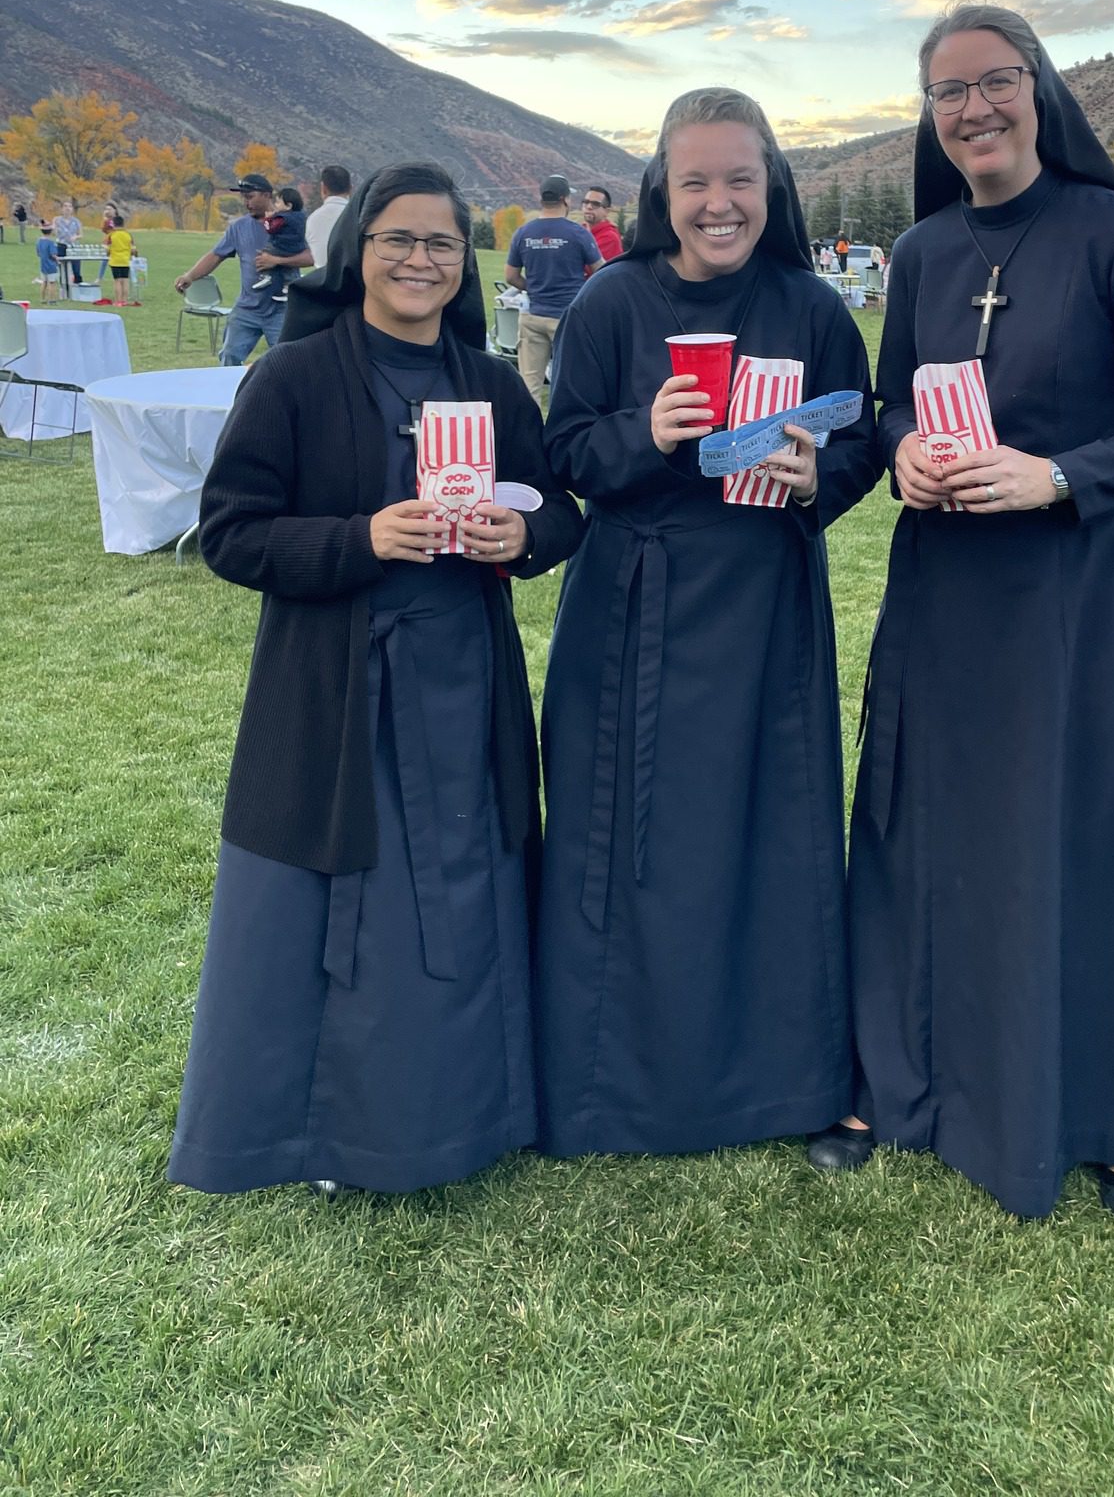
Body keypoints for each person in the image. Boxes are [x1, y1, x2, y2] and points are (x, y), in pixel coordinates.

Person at [815, 4, 1114, 1227]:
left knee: (1092, 835)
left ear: (1038, 90)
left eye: (994, 83)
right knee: (930, 828)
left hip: (1082, 592)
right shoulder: (928, 249)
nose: (973, 110)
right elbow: (890, 400)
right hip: (947, 590)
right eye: (948, 93)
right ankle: (903, 1080)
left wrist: (1057, 475)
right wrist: (900, 453)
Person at [167, 162, 583, 1195]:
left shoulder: (489, 381)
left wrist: (520, 529)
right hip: (334, 688)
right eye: (398, 239)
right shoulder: (294, 377)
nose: (420, 260)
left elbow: (565, 512)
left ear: (464, 262)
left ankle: (475, 1110)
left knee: (462, 885)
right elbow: (229, 532)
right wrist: (363, 536)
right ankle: (335, 1132)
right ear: (357, 249)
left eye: (441, 243)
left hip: (463, 676)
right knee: (352, 899)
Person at [535, 86, 881, 1159]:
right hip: (633, 605)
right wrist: (644, 431)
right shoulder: (609, 302)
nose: (720, 202)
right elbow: (566, 454)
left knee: (773, 830)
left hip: (766, 602)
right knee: (624, 842)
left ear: (771, 186)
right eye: (697, 181)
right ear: (661, 191)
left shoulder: (813, 308)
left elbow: (863, 441)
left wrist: (822, 469)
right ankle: (604, 1085)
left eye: (741, 179)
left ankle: (788, 1080)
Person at [504, 175, 601, 404]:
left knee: (530, 385)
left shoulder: (523, 233)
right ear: (565, 199)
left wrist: (534, 287)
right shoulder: (578, 233)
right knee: (568, 383)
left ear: (542, 199)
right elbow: (600, 271)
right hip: (567, 318)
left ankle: (530, 436)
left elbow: (510, 276)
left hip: (533, 315)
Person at [173, 174, 289, 364]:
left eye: (250, 196)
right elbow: (216, 255)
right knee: (229, 355)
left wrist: (277, 260)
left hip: (280, 309)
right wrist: (190, 276)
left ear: (267, 195)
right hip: (247, 308)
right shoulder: (239, 227)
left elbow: (309, 257)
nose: (246, 202)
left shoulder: (287, 223)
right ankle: (231, 393)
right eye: (243, 197)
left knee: (286, 361)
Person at [248, 185, 310, 297]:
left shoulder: (282, 218)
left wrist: (268, 219)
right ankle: (288, 287)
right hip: (297, 247)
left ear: (288, 206)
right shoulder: (301, 216)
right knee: (289, 268)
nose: (275, 206)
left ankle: (265, 276)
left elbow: (270, 229)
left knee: (264, 252)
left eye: (278, 202)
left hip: (281, 246)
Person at [305, 164, 352, 273]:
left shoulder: (313, 220)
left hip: (322, 281)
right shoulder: (358, 216)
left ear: (323, 188)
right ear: (350, 188)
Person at [579, 185, 625, 262]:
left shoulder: (610, 237)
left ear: (606, 211)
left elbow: (586, 265)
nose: (589, 207)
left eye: (596, 204)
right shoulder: (580, 230)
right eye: (586, 202)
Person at [105, 213, 135, 306]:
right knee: (125, 280)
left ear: (114, 224)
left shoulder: (112, 235)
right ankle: (125, 300)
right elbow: (133, 249)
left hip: (115, 261)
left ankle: (118, 301)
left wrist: (108, 252)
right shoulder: (128, 235)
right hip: (125, 261)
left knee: (117, 281)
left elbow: (108, 248)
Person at [53, 198, 81, 295]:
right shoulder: (57, 220)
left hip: (73, 246)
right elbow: (54, 231)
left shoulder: (76, 221)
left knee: (76, 267)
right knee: (62, 268)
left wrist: (76, 237)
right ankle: (64, 287)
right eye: (65, 206)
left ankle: (78, 286)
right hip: (62, 245)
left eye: (69, 206)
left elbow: (80, 234)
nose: (67, 209)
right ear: (62, 209)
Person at [35, 223, 60, 302]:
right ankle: (52, 299)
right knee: (52, 283)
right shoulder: (51, 242)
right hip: (51, 265)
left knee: (44, 282)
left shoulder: (39, 241)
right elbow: (53, 254)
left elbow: (38, 253)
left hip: (43, 264)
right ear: (50, 232)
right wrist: (58, 260)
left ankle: (42, 299)